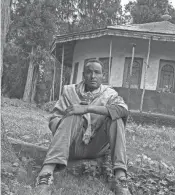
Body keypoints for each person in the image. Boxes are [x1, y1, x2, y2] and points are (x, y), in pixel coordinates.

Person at [35, 59, 130, 195]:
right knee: (72, 114)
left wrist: (86, 109)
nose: (93, 76)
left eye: (97, 73)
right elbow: (54, 118)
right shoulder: (69, 91)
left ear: (103, 76)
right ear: (83, 74)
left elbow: (123, 110)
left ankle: (120, 176)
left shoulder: (110, 94)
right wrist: (67, 123)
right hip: (71, 145)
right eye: (89, 72)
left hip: (96, 146)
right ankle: (46, 173)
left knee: (116, 118)